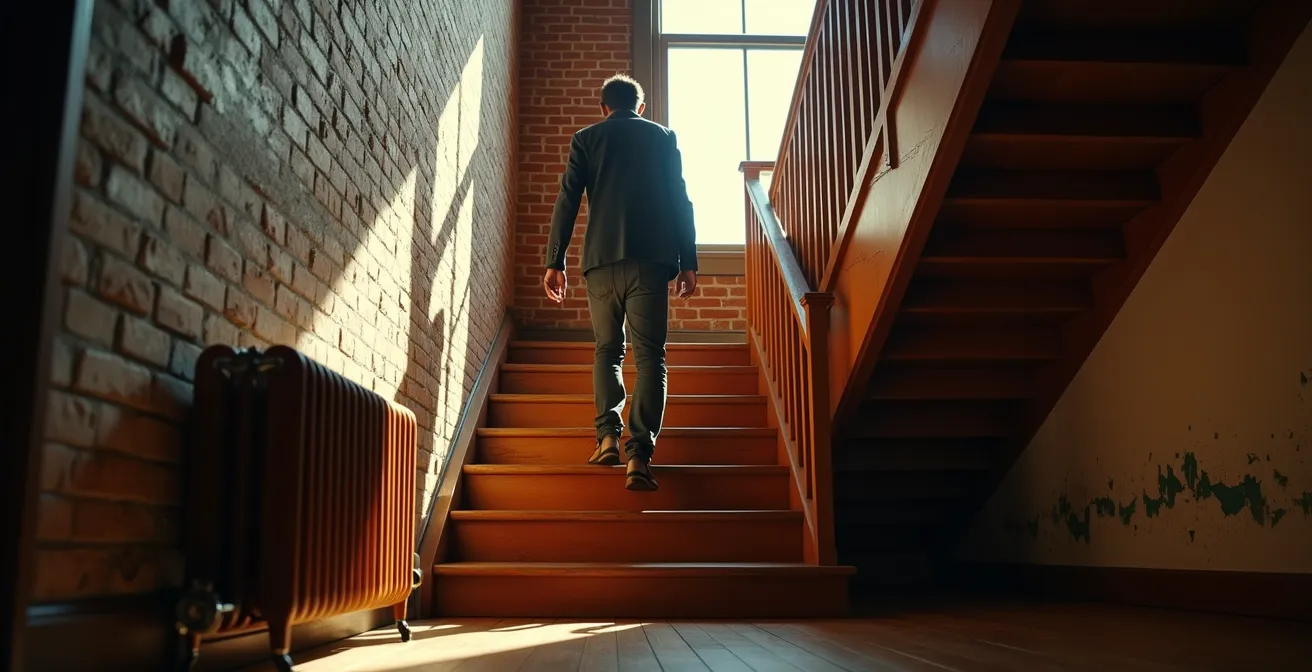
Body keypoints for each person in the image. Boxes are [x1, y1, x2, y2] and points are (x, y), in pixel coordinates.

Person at [542, 74, 698, 492]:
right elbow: (680, 199)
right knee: (650, 356)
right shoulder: (663, 137)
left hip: (601, 264)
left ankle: (608, 437)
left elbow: (567, 199)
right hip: (651, 262)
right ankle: (640, 456)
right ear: (640, 107)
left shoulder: (586, 138)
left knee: (608, 350)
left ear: (603, 107)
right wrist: (689, 262)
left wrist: (553, 260)